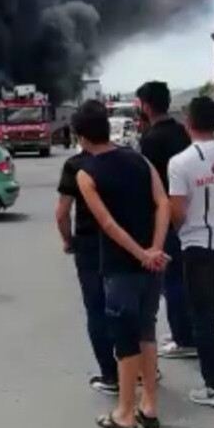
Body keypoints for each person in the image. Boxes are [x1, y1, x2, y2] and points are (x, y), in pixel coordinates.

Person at [75, 101, 170, 428]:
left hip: (121, 266)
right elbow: (163, 203)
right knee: (147, 330)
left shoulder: (86, 174)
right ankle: (150, 405)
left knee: (124, 336)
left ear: (82, 138)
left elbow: (108, 224)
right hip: (153, 265)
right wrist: (155, 249)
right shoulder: (140, 160)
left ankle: (125, 412)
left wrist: (141, 253)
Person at [169, 96, 214, 408]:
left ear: (188, 123)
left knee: (203, 317)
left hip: (199, 249)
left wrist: (180, 231)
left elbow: (178, 210)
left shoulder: (181, 162)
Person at [137, 80, 196, 359]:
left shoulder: (150, 139)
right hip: (188, 210)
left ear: (146, 106)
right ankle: (185, 329)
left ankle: (184, 338)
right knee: (184, 277)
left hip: (165, 216)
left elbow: (147, 183)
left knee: (170, 279)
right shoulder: (181, 132)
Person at [56, 132, 118, 395]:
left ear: (81, 136)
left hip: (90, 245)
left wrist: (68, 241)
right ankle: (140, 369)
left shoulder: (75, 165)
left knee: (96, 308)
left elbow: (62, 213)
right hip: (124, 243)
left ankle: (110, 375)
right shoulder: (129, 159)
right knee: (128, 306)